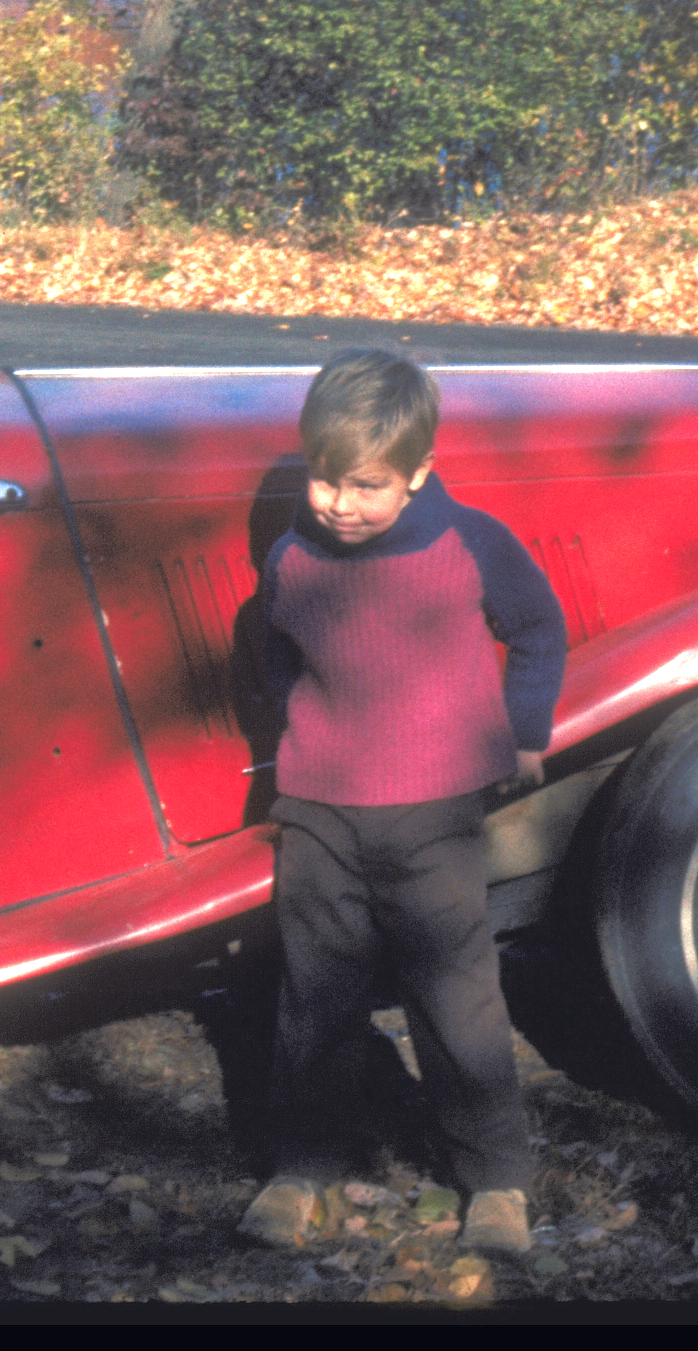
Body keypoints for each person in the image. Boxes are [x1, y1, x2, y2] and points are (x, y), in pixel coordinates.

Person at [235, 349, 568, 1262]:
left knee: (457, 997)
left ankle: (495, 1179)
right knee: (316, 993)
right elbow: (275, 652)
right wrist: (305, 732)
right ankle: (301, 1167)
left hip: (433, 812)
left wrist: (525, 735)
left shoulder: (469, 543)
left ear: (418, 472)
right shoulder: (293, 558)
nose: (339, 503)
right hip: (321, 808)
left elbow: (537, 629)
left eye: (367, 485)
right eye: (324, 479)